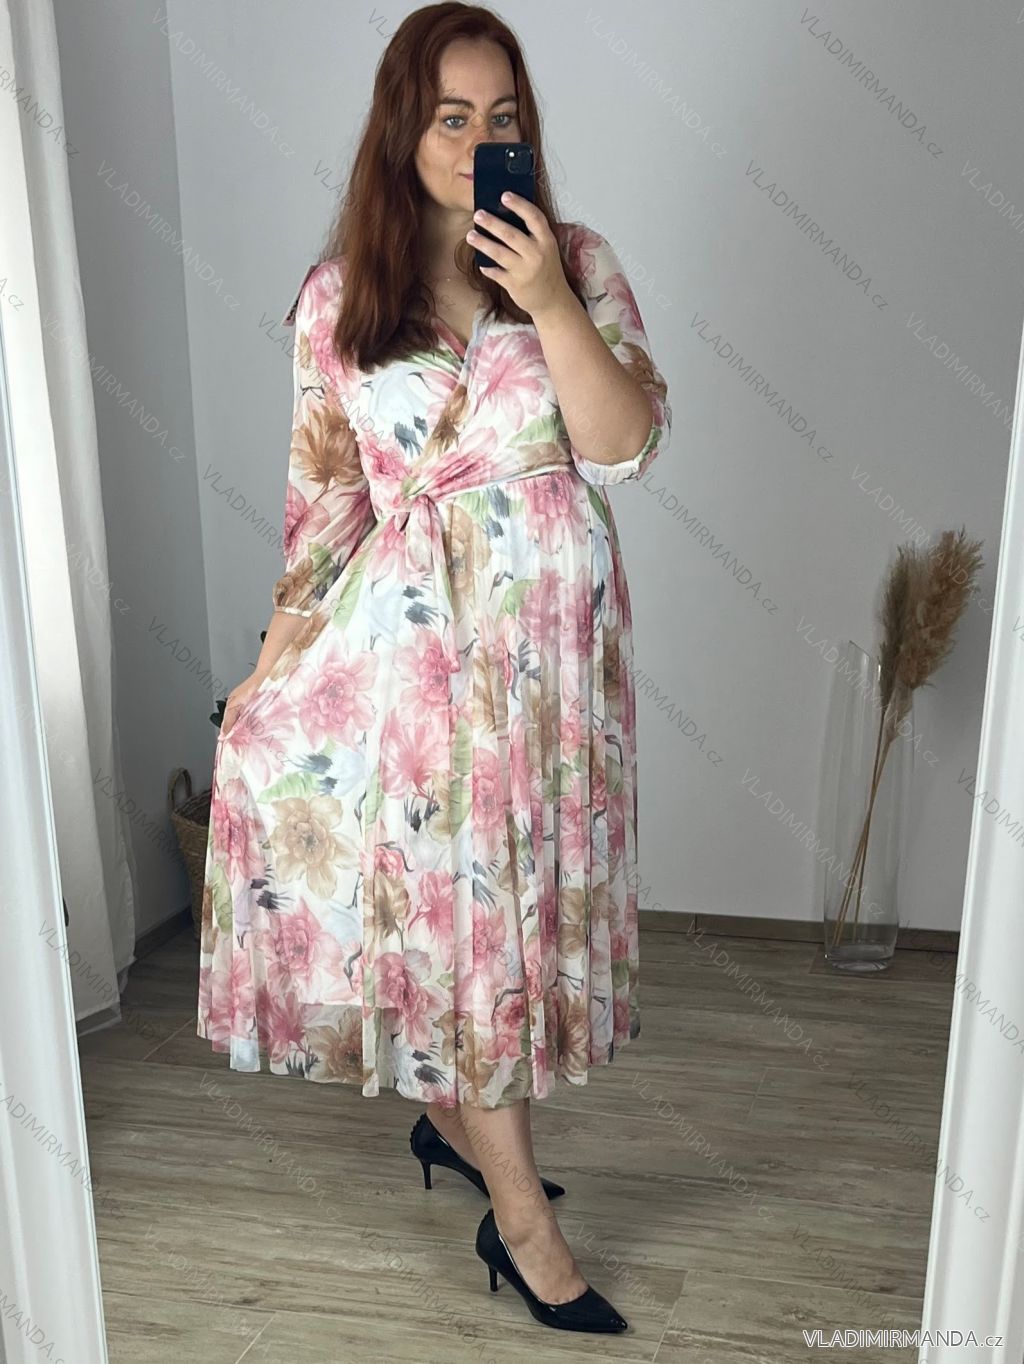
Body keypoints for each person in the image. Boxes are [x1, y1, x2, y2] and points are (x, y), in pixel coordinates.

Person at [196, 0, 671, 1336]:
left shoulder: (577, 260)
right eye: (451, 117)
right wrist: (267, 675)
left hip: (557, 673)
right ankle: (522, 1225)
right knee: (469, 935)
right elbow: (325, 512)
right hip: (418, 673)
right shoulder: (342, 296)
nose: (476, 143)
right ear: (402, 130)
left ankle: (450, 1123)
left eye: (501, 118)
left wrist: (548, 300)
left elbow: (625, 446)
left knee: (519, 926)